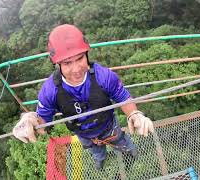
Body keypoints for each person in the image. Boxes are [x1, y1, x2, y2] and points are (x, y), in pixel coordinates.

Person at [12, 24, 154, 170]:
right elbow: (42, 122)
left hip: (109, 126)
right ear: (57, 64)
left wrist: (134, 115)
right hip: (84, 135)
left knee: (124, 144)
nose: (76, 69)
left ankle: (129, 155)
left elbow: (122, 97)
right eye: (67, 63)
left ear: (86, 55)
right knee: (97, 153)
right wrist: (30, 119)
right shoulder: (50, 91)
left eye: (80, 59)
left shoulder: (103, 77)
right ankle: (100, 160)